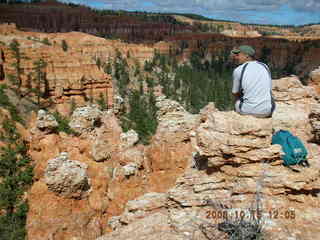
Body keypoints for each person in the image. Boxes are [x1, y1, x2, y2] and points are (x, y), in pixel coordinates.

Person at [230, 45, 275, 118]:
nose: (236, 57)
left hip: (247, 111)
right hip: (267, 111)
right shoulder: (264, 66)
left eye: (238, 55)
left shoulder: (238, 70)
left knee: (237, 101)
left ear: (246, 56)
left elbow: (235, 93)